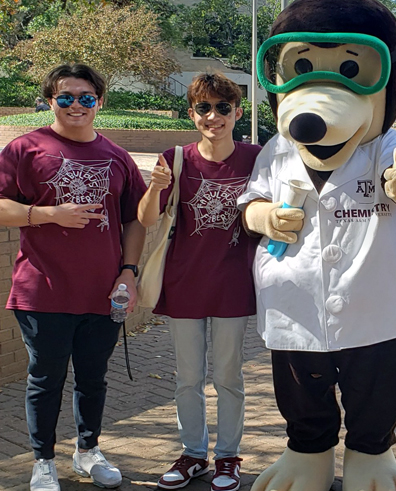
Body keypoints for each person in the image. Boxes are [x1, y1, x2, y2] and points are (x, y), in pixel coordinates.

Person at [0, 64, 147, 490]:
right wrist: (47, 214)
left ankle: (87, 451)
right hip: (41, 291)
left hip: (102, 294)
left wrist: (128, 273)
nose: (76, 105)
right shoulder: (26, 148)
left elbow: (135, 220)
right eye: (65, 97)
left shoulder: (117, 156)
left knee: (92, 379)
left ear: (100, 101)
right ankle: (42, 461)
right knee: (45, 380)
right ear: (50, 100)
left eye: (85, 97)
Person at [137, 72, 261, 491]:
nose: (214, 116)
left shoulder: (256, 157)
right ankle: (193, 453)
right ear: (192, 114)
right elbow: (146, 219)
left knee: (228, 376)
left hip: (234, 283)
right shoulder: (176, 158)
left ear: (237, 112)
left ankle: (227, 458)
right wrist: (154, 189)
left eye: (223, 108)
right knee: (187, 378)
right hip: (184, 281)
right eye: (204, 108)